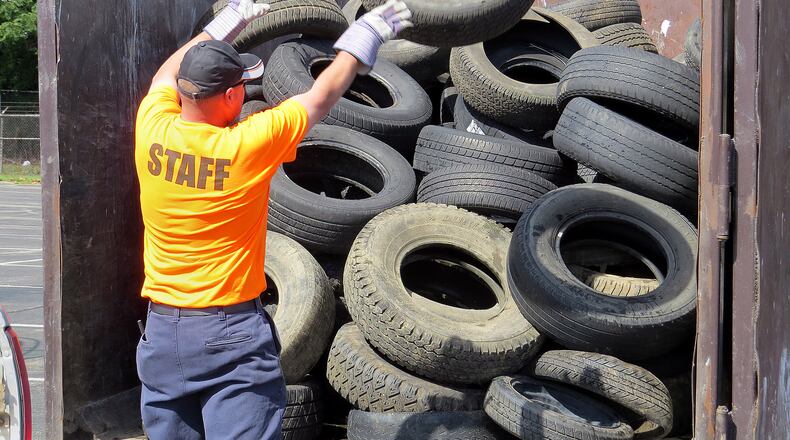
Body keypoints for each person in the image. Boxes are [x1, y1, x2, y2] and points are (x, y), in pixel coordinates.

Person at [133, 0, 412, 438]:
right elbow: (321, 96)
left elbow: (164, 75)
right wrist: (366, 34)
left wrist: (230, 21)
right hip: (229, 335)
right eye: (242, 86)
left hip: (163, 334)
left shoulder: (151, 126)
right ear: (230, 96)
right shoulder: (247, 147)